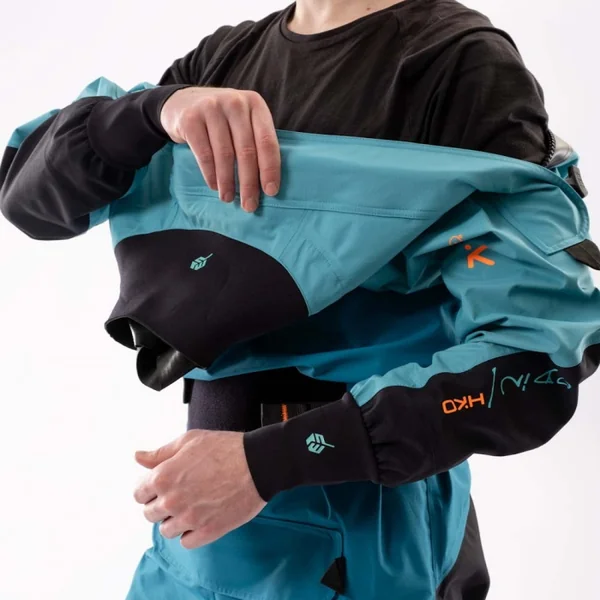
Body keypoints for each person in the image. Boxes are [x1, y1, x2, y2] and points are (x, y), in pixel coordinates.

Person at [1, 0, 595, 598]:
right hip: (204, 509)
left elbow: (541, 361)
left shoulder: (456, 62)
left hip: (349, 516)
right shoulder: (225, 56)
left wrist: (269, 462)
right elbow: (27, 200)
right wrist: (150, 112)